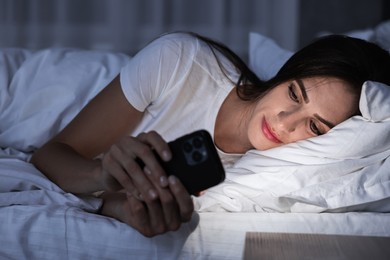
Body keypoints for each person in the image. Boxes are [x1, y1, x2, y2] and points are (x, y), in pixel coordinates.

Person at [30, 32, 390, 237]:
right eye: (294, 94)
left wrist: (118, 207)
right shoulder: (180, 62)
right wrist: (101, 174)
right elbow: (49, 154)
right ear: (284, 74)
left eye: (314, 127)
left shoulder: (277, 177)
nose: (285, 122)